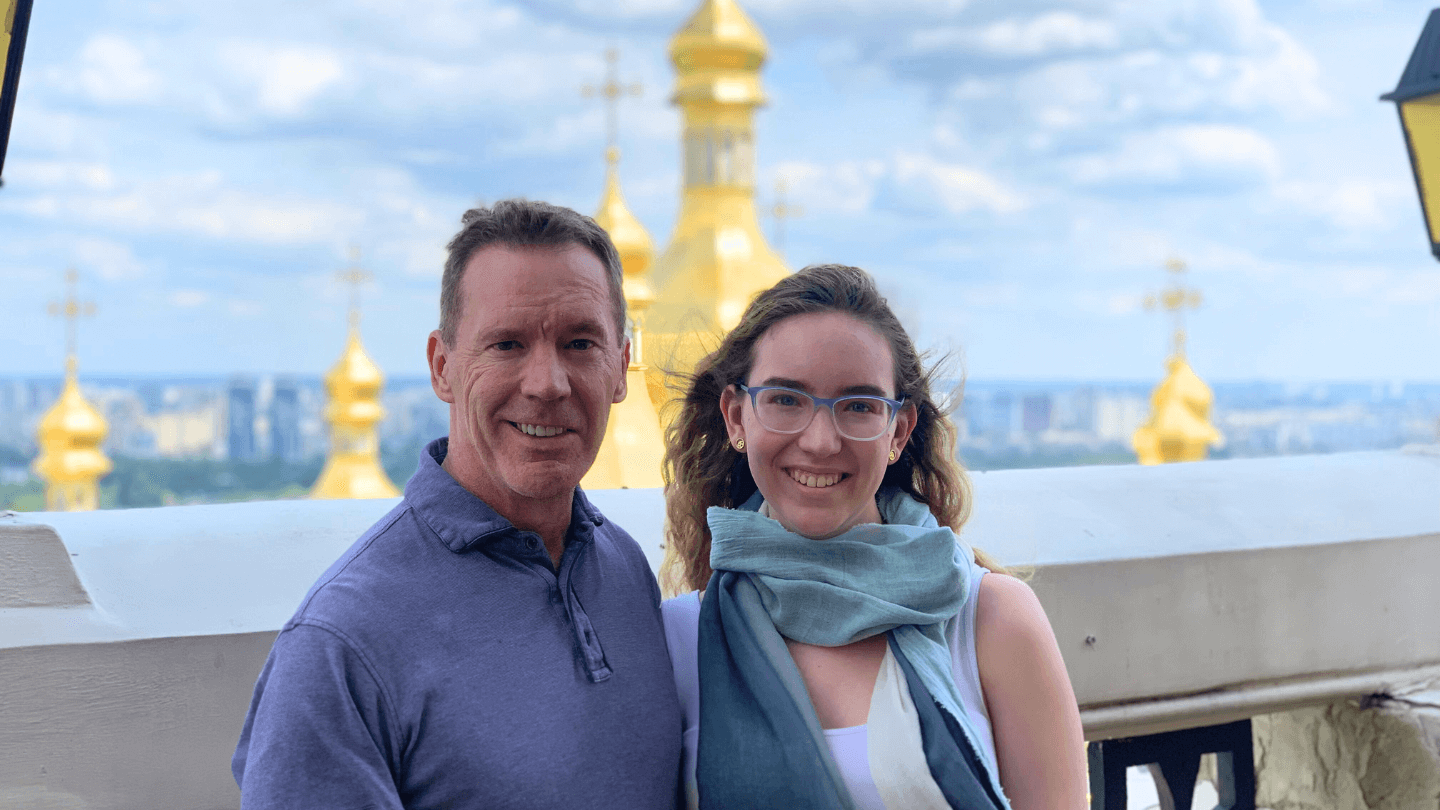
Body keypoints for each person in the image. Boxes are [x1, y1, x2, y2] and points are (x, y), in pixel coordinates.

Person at [232, 199, 683, 809]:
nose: (547, 383)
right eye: (506, 344)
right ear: (442, 367)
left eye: (580, 343)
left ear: (621, 368)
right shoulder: (342, 643)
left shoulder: (622, 569)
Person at [660, 264, 1088, 810]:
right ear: (736, 415)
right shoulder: (681, 643)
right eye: (786, 399)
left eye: (859, 406)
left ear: (899, 430)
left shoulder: (989, 622)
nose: (819, 441)